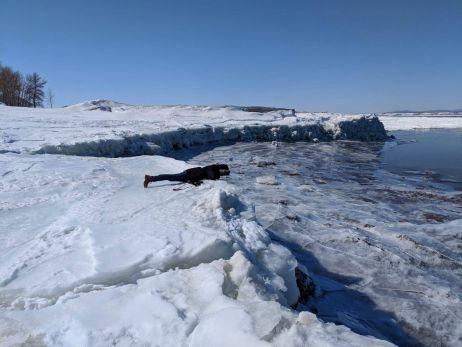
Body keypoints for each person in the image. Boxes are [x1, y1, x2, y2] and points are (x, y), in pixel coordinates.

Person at [144, 164, 230, 188]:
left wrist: (225, 169)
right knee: (170, 177)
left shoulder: (213, 167)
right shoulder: (211, 172)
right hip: (188, 175)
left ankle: (151, 178)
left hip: (189, 172)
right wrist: (194, 182)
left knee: (171, 177)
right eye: (223, 173)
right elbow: (195, 177)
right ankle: (151, 178)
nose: (222, 174)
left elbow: (223, 166)